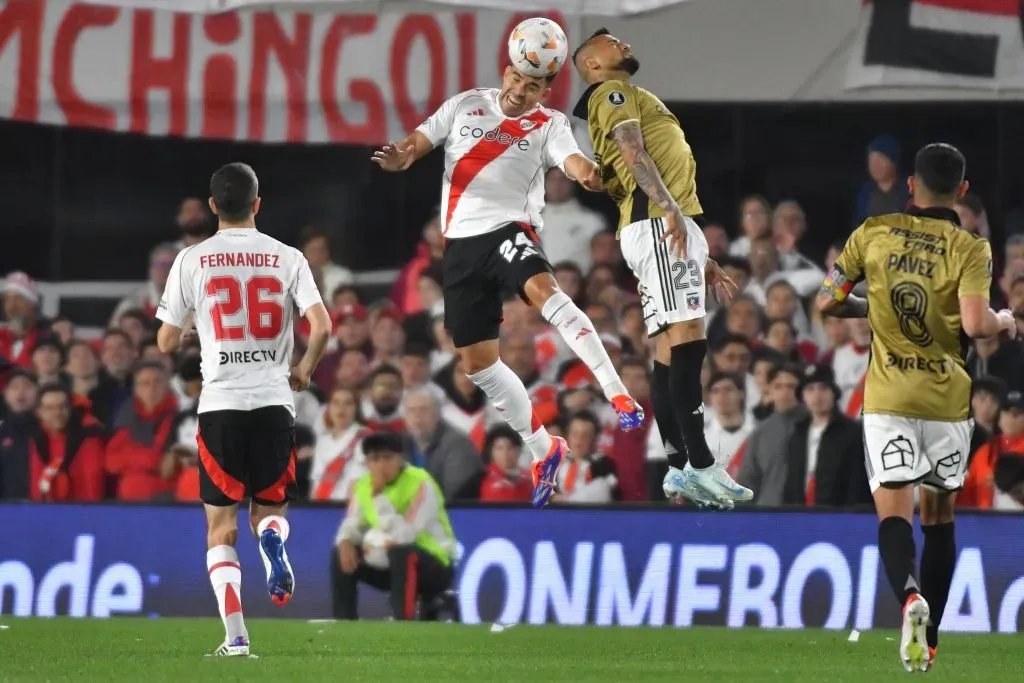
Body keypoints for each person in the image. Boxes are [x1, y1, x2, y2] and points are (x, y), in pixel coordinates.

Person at [370, 61, 644, 509]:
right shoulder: (466, 104)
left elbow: (576, 165)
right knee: (478, 364)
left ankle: (617, 392)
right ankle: (543, 448)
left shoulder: (549, 123)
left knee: (545, 293)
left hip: (508, 230)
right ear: (505, 73)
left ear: (546, 90)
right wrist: (404, 156)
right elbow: (417, 141)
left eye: (533, 85)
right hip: (459, 248)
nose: (520, 91)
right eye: (517, 79)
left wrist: (595, 174)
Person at [816, 143, 1016, 672]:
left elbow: (828, 300)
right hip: (948, 400)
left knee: (894, 511)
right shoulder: (971, 248)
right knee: (940, 517)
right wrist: (1006, 319)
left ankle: (908, 597)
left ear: (910, 185)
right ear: (963, 191)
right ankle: (930, 642)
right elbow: (976, 326)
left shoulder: (872, 233)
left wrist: (873, 306)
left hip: (888, 398)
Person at [155, 163, 332, 657]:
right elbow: (322, 325)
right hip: (275, 401)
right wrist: (305, 369)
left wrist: (190, 326)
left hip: (220, 406)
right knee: (270, 511)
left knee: (221, 526)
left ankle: (236, 635)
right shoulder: (288, 257)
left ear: (213, 206)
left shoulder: (192, 259)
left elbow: (166, 340)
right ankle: (273, 540)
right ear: (258, 205)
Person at [571, 28, 750, 509]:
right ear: (592, 63)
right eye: (612, 42)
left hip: (660, 224)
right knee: (688, 335)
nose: (624, 45)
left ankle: (677, 466)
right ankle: (702, 464)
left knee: (671, 346)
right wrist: (669, 209)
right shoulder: (612, 93)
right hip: (659, 221)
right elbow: (633, 150)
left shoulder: (625, 95)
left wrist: (698, 254)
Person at [332, 431, 456, 621]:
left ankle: (402, 623)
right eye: (374, 459)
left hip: (434, 564)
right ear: (367, 463)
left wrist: (379, 497)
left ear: (401, 458)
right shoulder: (364, 485)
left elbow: (407, 535)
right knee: (342, 552)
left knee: (402, 553)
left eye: (387, 458)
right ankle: (343, 622)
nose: (381, 464)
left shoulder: (421, 483)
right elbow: (353, 522)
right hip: (391, 562)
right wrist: (345, 540)